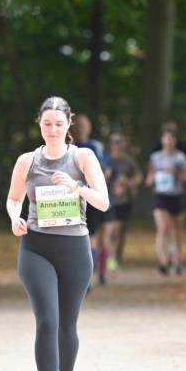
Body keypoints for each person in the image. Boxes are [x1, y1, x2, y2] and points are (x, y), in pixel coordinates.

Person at [7, 96, 109, 371]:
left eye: (59, 124)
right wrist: (14, 217)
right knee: (47, 321)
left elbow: (103, 202)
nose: (53, 129)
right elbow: (13, 199)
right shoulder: (27, 161)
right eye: (47, 123)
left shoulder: (82, 157)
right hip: (36, 247)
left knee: (67, 324)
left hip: (75, 249)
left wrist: (76, 186)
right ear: (39, 123)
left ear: (69, 125)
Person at [145, 123, 186, 275]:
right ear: (162, 140)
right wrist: (154, 177)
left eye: (172, 138)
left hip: (177, 196)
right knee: (163, 228)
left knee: (176, 231)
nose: (169, 140)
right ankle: (163, 261)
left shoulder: (181, 157)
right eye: (166, 138)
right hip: (160, 196)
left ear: (175, 140)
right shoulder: (155, 157)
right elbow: (149, 179)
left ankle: (177, 261)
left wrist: (176, 173)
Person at [72, 113, 111, 286]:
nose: (81, 128)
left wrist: (95, 182)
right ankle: (87, 276)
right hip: (78, 198)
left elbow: (107, 170)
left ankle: (101, 271)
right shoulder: (69, 147)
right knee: (88, 237)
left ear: (89, 127)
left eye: (84, 125)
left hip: (97, 196)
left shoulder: (96, 146)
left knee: (103, 237)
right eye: (78, 125)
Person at [103, 132, 143, 269]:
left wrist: (127, 184)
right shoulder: (105, 159)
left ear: (124, 144)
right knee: (111, 231)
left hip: (124, 201)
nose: (118, 144)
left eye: (120, 141)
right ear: (111, 144)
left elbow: (138, 176)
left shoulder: (128, 161)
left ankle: (117, 256)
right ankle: (111, 259)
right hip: (107, 200)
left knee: (119, 231)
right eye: (115, 141)